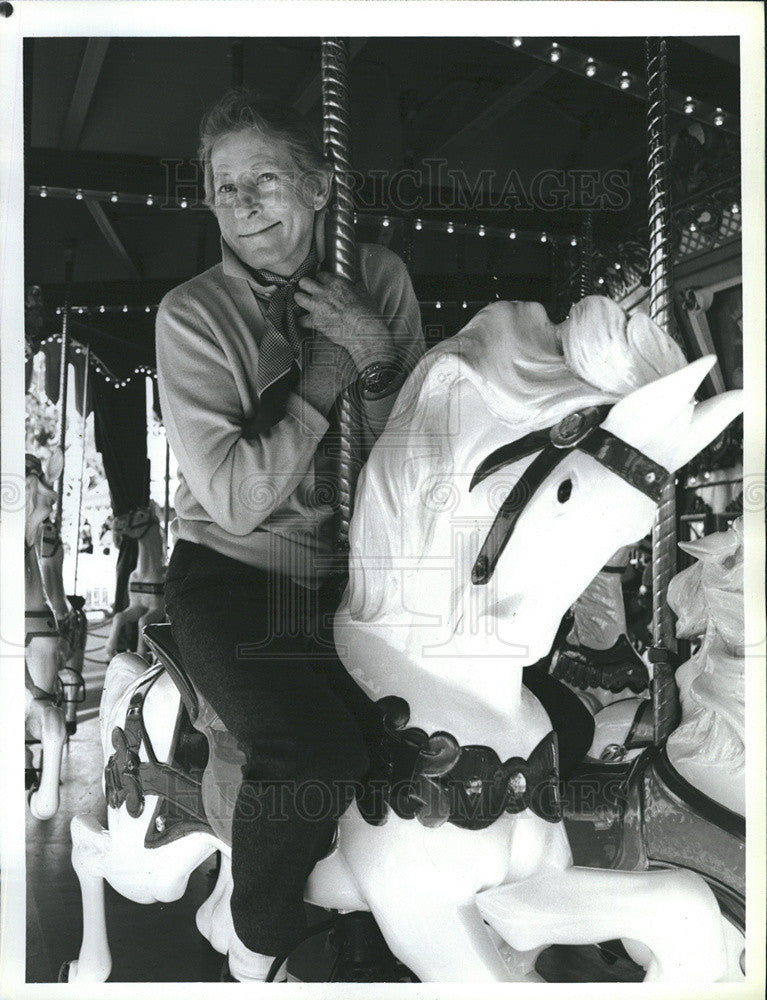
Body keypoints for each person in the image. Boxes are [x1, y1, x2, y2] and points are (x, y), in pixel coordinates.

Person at [155, 89, 424, 982]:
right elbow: (232, 498)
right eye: (221, 187)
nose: (238, 203)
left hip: (354, 574)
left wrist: (380, 360)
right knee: (310, 752)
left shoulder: (374, 273)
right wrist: (323, 379)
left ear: (317, 186)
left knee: (434, 741)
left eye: (261, 179)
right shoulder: (192, 315)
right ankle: (262, 928)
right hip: (231, 576)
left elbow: (414, 452)